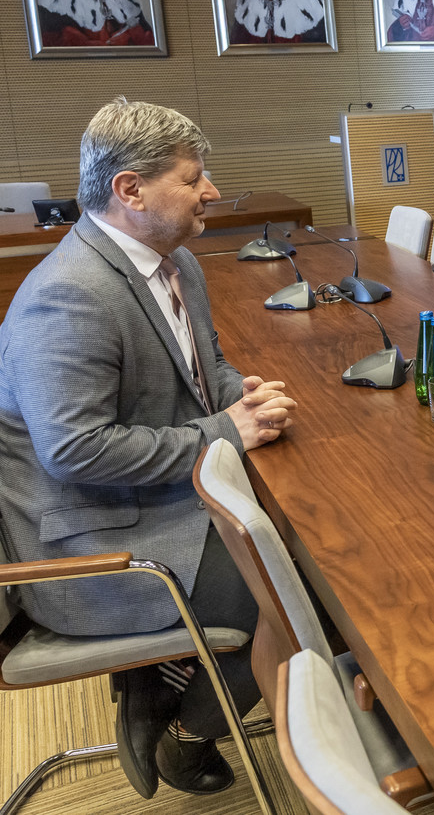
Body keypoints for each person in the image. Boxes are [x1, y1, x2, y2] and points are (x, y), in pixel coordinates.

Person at [0, 97, 298, 799]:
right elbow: (75, 449)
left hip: (148, 499)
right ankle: (186, 730)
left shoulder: (175, 261)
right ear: (130, 190)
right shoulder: (67, 296)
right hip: (86, 544)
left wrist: (241, 394)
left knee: (307, 538)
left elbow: (205, 365)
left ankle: (161, 677)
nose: (211, 191)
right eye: (193, 179)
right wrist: (228, 430)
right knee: (300, 587)